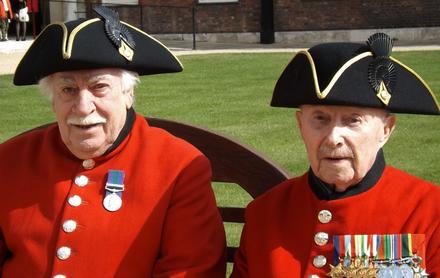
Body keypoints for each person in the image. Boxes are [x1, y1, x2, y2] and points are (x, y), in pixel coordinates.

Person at [0, 6, 226, 277]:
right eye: (68, 89)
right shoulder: (9, 161)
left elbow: (191, 270)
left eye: (99, 87)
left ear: (128, 93)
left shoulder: (178, 166)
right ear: (53, 99)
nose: (83, 107)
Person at [232, 33, 439, 277]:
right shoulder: (264, 214)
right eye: (320, 118)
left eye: (353, 120)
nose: (333, 138)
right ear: (301, 125)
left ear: (385, 130)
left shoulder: (429, 212)